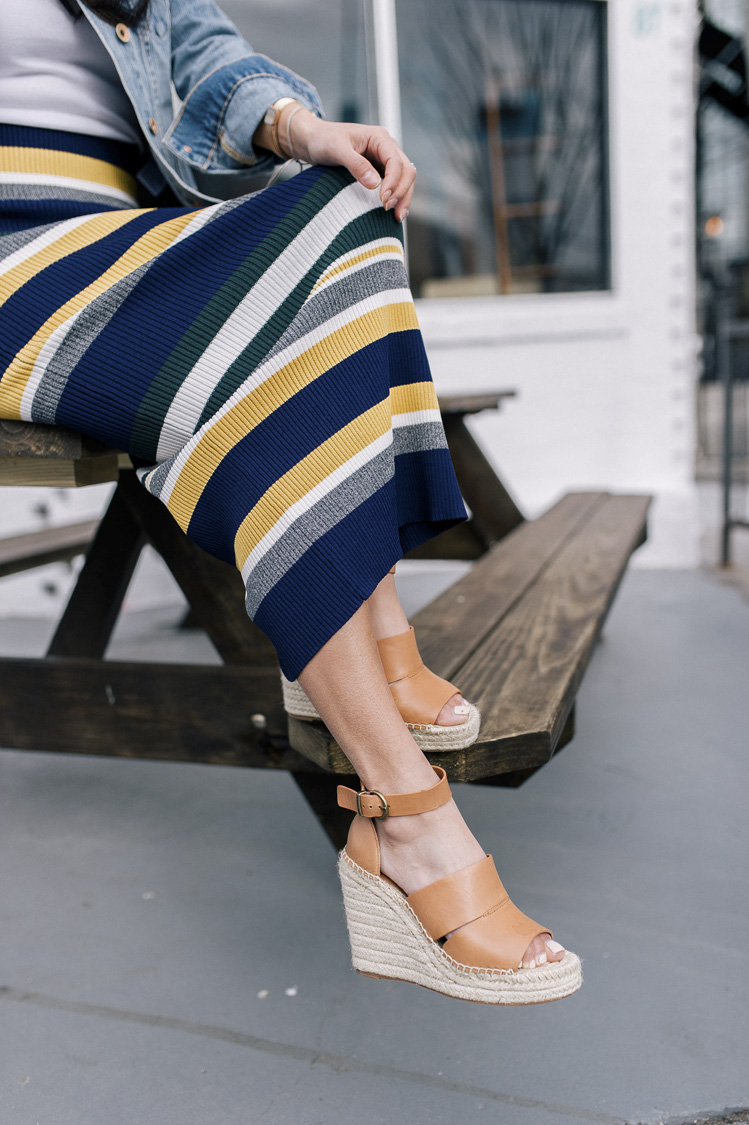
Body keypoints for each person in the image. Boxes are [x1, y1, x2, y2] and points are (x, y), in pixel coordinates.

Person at [0, 0, 580, 1004]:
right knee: (253, 367)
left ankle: (379, 705)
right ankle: (405, 812)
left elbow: (205, 54)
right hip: (15, 269)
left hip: (124, 235)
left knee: (344, 195)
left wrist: (305, 128)